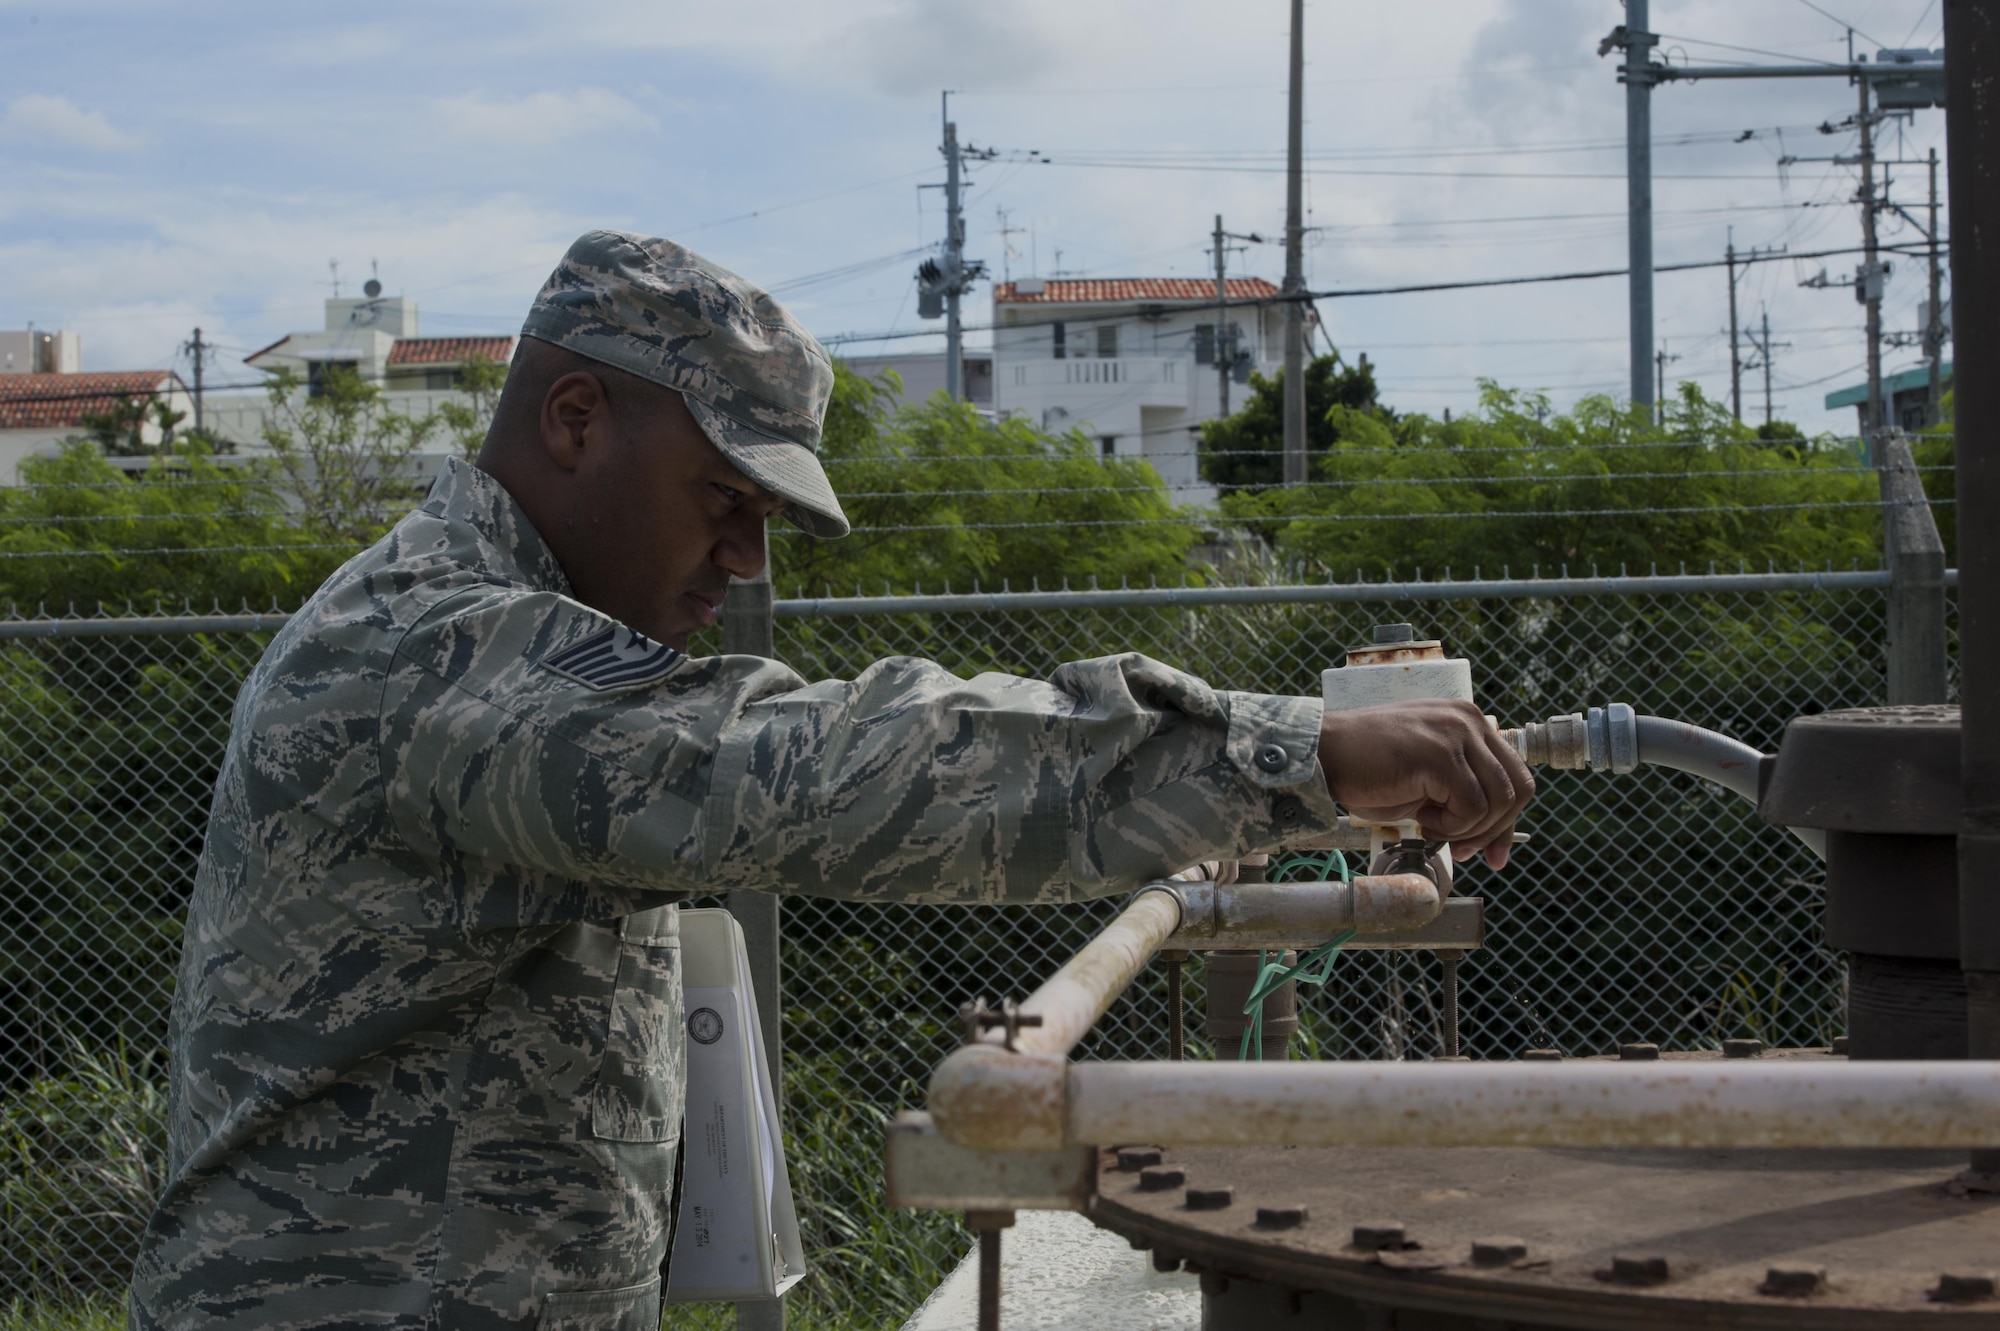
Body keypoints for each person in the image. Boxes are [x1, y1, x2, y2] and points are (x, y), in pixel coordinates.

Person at [130, 230, 1532, 1330]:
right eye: (726, 500)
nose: (748, 561)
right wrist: (1292, 753)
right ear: (573, 420)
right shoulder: (432, 659)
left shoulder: (489, 638)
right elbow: (819, 771)